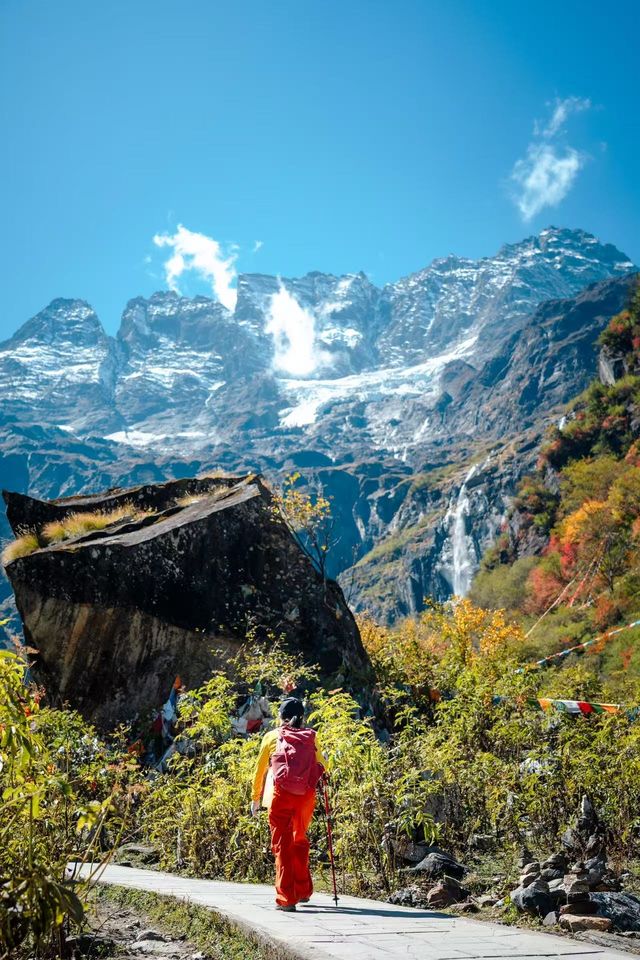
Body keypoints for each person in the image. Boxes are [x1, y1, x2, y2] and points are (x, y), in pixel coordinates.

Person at [250, 697, 325, 911]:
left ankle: (286, 898)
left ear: (280, 716)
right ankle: (303, 891)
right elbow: (323, 764)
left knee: (282, 845)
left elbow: (259, 770)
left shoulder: (271, 736)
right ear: (302, 717)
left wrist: (256, 798)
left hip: (279, 797)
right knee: (299, 839)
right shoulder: (312, 737)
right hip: (305, 797)